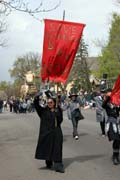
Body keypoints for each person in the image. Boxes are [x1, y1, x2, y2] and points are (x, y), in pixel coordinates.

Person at [34, 91, 64, 173]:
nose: (49, 104)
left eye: (51, 102)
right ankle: (48, 162)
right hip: (47, 133)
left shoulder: (58, 110)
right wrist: (36, 98)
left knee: (57, 148)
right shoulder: (43, 111)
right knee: (48, 148)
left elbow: (60, 120)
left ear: (54, 103)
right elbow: (36, 105)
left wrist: (57, 112)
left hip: (56, 132)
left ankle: (58, 166)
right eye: (48, 102)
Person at [102, 88, 120, 165]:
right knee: (116, 139)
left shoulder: (117, 102)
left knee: (118, 140)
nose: (110, 93)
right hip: (111, 122)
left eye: (110, 92)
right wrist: (109, 97)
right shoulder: (106, 102)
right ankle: (115, 157)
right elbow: (103, 105)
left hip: (118, 122)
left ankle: (116, 155)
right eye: (108, 92)